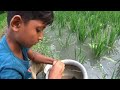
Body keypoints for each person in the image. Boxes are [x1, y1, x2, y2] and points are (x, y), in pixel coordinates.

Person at [0, 11, 65, 79]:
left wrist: (54, 62)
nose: (41, 37)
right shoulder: (9, 70)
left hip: (27, 72)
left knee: (40, 63)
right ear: (16, 23)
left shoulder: (17, 41)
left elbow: (33, 56)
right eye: (38, 30)